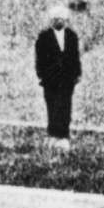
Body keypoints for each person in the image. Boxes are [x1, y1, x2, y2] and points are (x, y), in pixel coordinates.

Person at [33, 8, 81, 148]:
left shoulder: (71, 36)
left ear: (65, 20)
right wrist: (42, 75)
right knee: (52, 106)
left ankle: (64, 136)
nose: (59, 21)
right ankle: (53, 135)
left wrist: (77, 74)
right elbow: (40, 59)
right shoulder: (44, 37)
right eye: (56, 18)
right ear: (51, 20)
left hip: (67, 79)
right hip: (50, 80)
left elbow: (75, 57)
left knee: (65, 106)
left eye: (61, 18)